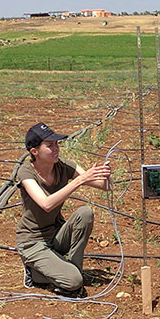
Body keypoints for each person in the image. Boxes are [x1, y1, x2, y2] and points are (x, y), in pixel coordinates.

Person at [16, 122, 111, 295]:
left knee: (85, 213)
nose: (56, 148)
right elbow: (46, 204)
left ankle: (70, 271)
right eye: (49, 145)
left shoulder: (63, 166)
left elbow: (103, 186)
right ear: (34, 152)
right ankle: (36, 274)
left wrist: (104, 174)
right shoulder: (26, 173)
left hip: (56, 235)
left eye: (57, 144)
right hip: (33, 242)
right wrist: (79, 181)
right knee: (74, 281)